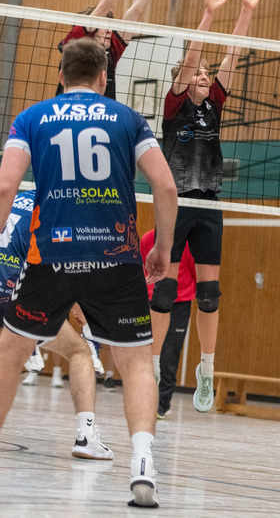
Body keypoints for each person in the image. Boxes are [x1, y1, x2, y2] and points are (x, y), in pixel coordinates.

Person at [0, 37, 178, 507]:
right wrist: (161, 247)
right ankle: (143, 463)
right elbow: (165, 184)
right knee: (137, 360)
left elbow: (4, 186)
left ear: (61, 76)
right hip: (116, 256)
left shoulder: (32, 118)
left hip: (51, 256)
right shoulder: (128, 119)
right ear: (104, 78)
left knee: (11, 349)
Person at [150, 0, 260, 413]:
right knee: (164, 290)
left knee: (209, 294)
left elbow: (231, 55)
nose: (202, 74)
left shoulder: (214, 102)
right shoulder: (174, 106)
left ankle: (207, 368)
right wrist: (210, 13)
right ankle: (155, 364)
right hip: (175, 203)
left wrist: (246, 11)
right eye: (196, 71)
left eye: (204, 73)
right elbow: (192, 58)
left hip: (209, 203)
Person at [1, 190, 113, 460]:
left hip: (10, 287)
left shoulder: (14, 196)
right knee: (79, 352)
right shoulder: (55, 213)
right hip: (15, 296)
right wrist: (81, 308)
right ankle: (86, 438)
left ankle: (29, 346)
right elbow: (59, 274)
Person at [141, 229, 197, 418]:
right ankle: (144, 400)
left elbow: (194, 270)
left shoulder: (187, 242)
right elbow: (143, 266)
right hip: (154, 301)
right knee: (149, 351)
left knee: (170, 354)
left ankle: (162, 405)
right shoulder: (149, 238)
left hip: (180, 303)